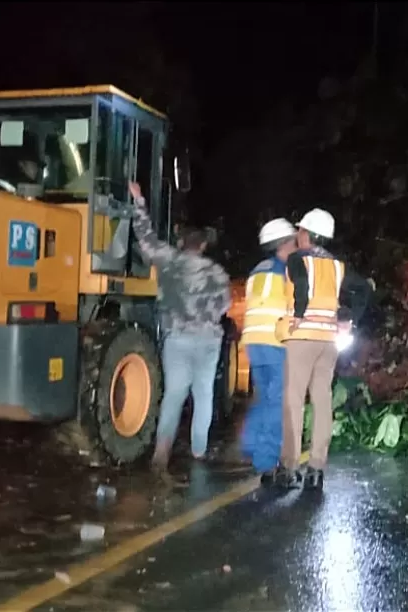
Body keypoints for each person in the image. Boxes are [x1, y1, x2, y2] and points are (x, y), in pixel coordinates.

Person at [127, 182, 232, 475]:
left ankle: (162, 451)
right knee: (203, 394)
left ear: (182, 243)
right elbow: (224, 306)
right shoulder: (217, 273)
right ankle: (198, 450)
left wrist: (139, 202)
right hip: (208, 341)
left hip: (178, 339)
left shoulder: (169, 262)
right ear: (203, 245)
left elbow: (145, 238)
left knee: (174, 393)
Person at [274, 208, 371, 490]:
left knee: (293, 401)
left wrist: (300, 313)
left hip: (302, 337)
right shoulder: (338, 266)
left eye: (301, 230)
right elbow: (363, 289)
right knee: (322, 400)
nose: (298, 235)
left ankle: (290, 466)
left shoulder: (296, 259)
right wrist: (349, 318)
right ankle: (316, 467)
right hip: (327, 341)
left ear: (309, 235)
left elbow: (301, 285)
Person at [239, 219, 299, 484]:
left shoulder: (257, 271)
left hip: (254, 342)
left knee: (264, 397)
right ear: (286, 243)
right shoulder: (287, 272)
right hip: (276, 342)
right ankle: (266, 462)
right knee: (277, 402)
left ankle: (250, 445)